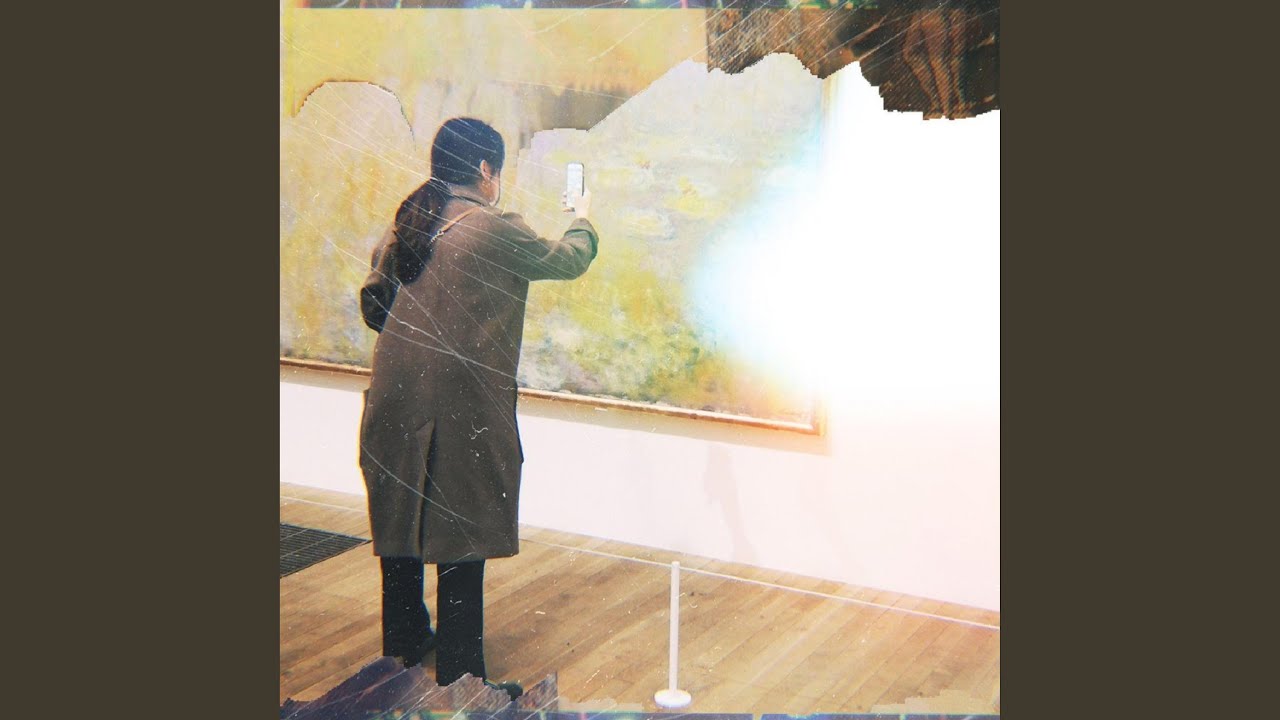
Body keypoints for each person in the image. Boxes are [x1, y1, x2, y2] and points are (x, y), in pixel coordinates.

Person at [357, 117, 599, 700]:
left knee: (400, 526)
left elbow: (373, 305)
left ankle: (403, 648)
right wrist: (583, 217)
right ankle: (462, 681)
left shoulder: (410, 218)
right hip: (457, 410)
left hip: (392, 400)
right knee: (459, 537)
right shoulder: (492, 228)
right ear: (487, 170)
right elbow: (567, 259)